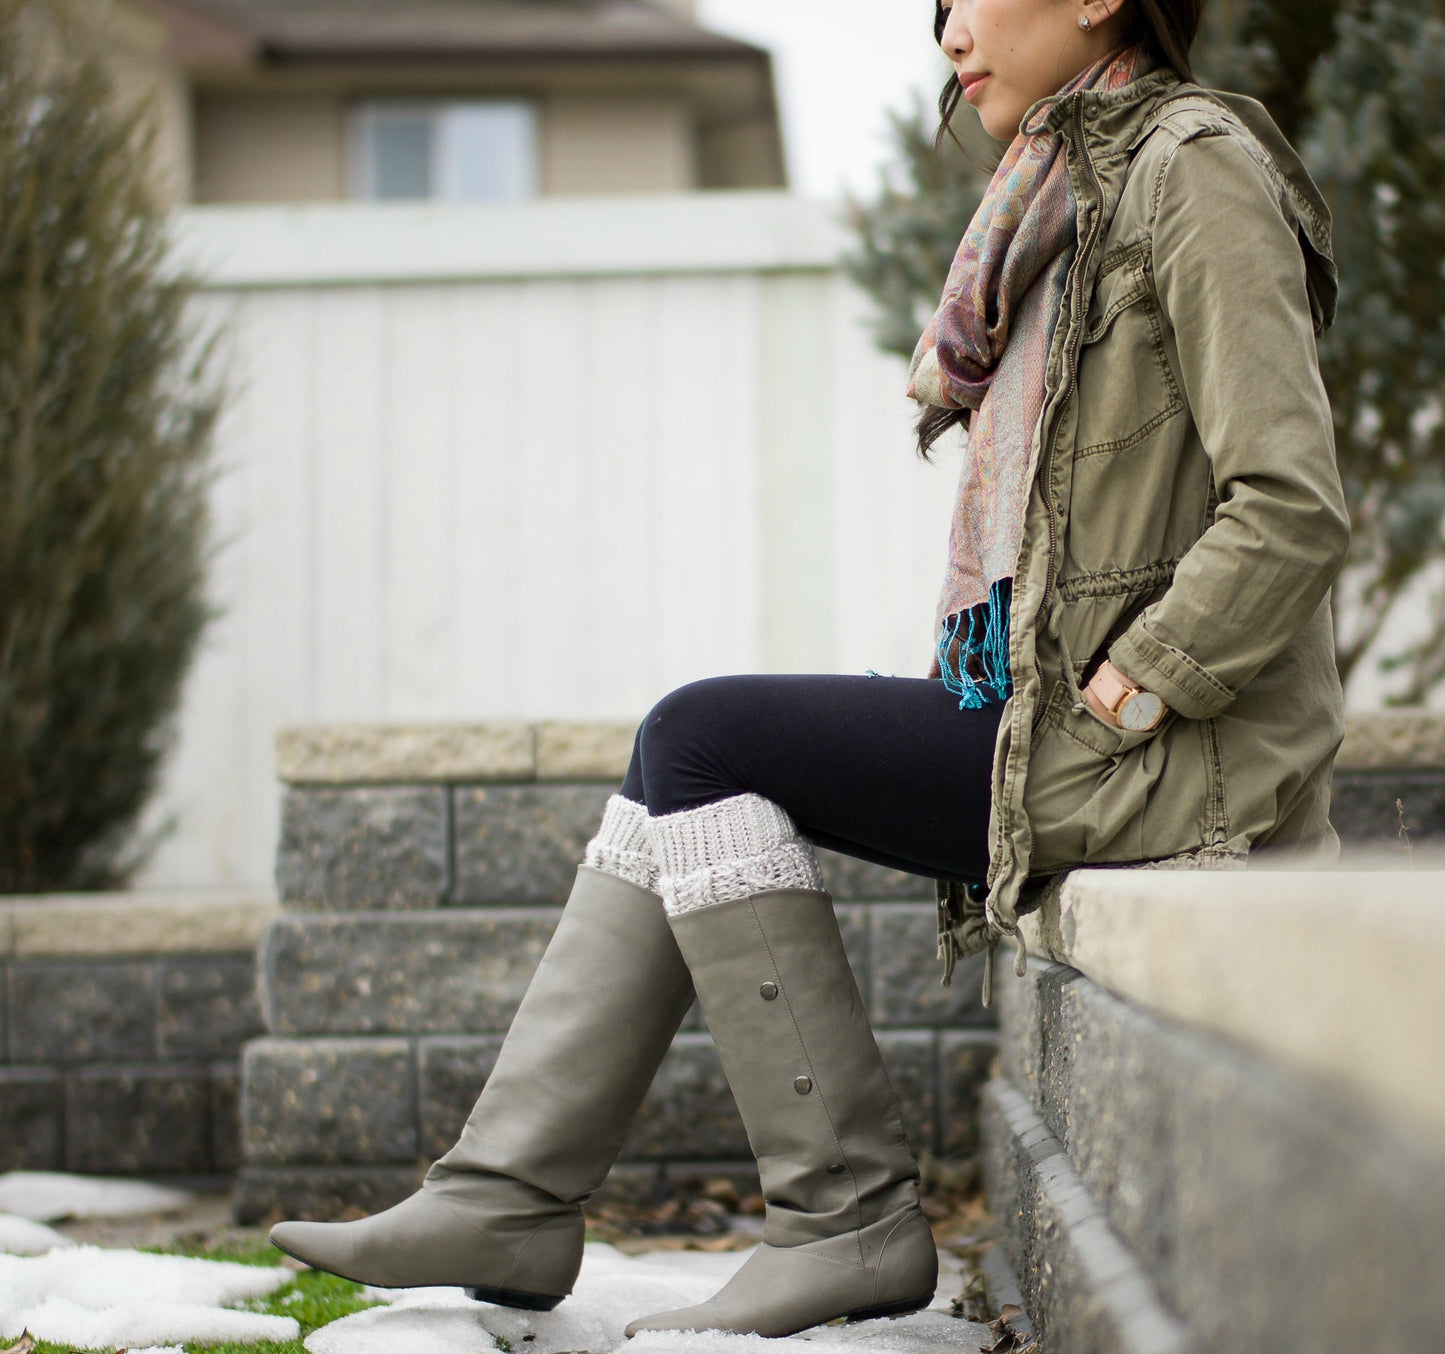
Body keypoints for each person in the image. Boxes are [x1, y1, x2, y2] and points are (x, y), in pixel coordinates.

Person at [268, 0, 1349, 1339]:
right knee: (683, 758)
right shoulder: (1060, 196)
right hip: (1051, 723)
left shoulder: (1189, 165)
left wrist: (1134, 681)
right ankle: (512, 1194)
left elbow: (1289, 502)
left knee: (701, 739)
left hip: (1158, 754)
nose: (948, 28)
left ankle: (821, 1211)